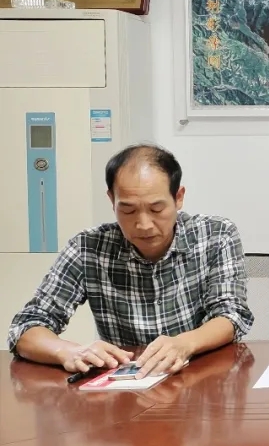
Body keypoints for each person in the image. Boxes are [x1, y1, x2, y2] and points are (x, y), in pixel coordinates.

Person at [7, 144, 254, 379]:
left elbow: (231, 314)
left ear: (178, 197)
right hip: (124, 386)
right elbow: (26, 326)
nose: (143, 224)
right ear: (111, 200)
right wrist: (68, 351)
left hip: (200, 378)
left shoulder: (216, 235)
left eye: (156, 209)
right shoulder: (88, 247)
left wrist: (184, 344)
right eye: (128, 210)